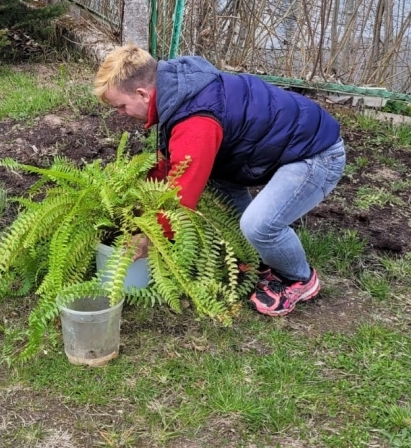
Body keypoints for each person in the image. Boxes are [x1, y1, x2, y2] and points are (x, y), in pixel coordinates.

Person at [94, 45, 346, 316]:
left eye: (120, 106)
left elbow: (180, 199)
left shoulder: (195, 119)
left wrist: (148, 237)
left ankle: (298, 279)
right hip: (277, 146)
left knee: (259, 225)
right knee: (215, 183)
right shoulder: (177, 89)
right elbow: (168, 164)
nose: (120, 113)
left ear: (143, 94)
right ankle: (255, 257)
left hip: (316, 155)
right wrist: (138, 208)